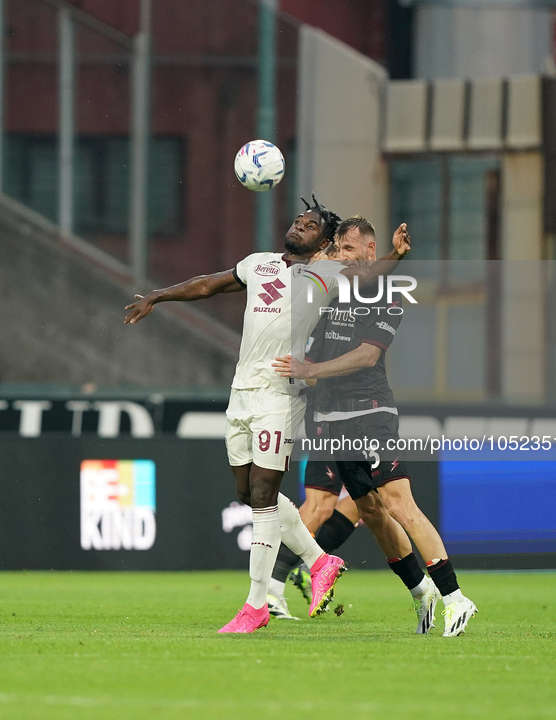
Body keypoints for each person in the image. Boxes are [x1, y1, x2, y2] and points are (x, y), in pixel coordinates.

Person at [124, 197, 411, 633]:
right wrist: (159, 296)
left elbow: (369, 273)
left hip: (282, 392)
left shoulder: (327, 273)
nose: (300, 225)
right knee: (247, 492)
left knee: (262, 493)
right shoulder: (258, 263)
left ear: (323, 243)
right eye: (298, 220)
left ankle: (256, 604)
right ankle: (320, 561)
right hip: (242, 390)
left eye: (311, 224)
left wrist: (394, 255)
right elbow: (207, 284)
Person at [272, 216, 478, 637]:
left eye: (350, 250)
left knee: (399, 503)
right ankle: (421, 591)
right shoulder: (328, 295)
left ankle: (456, 598)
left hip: (369, 415)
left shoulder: (386, 299)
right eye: (338, 250)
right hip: (328, 421)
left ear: (370, 252)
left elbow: (365, 358)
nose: (341, 258)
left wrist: (310, 369)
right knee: (371, 512)